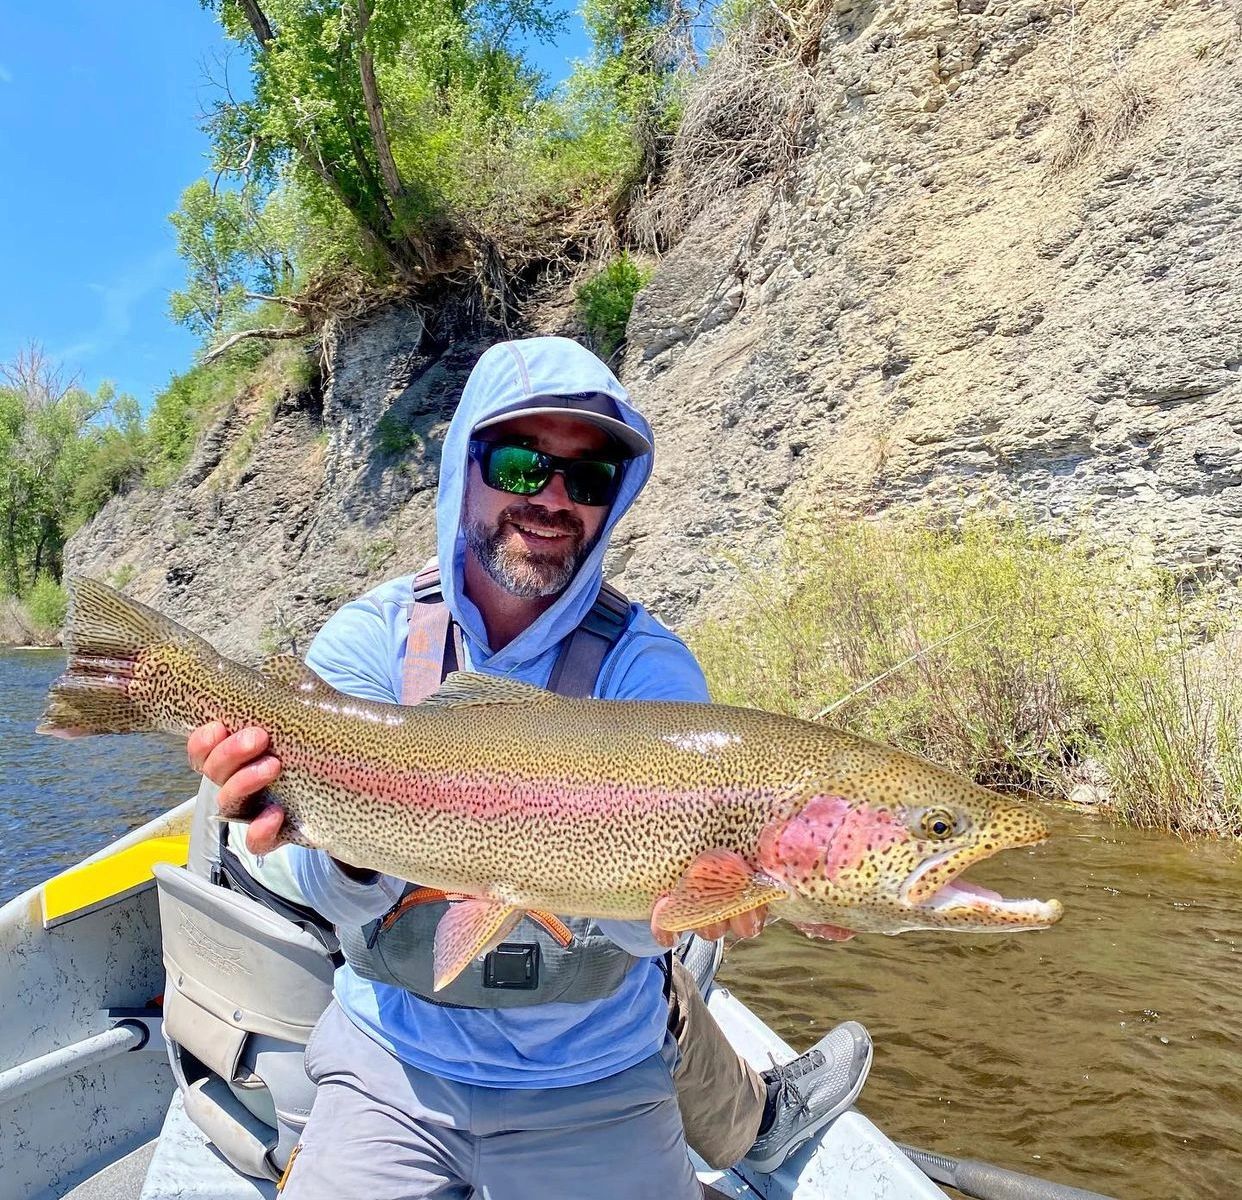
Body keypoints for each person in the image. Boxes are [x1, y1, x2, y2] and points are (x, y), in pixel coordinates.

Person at [189, 336, 871, 1198]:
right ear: (463, 467)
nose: (553, 498)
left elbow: (637, 935)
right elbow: (322, 894)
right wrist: (333, 844)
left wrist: (706, 901)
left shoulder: (648, 671)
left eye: (587, 479)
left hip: (594, 1074)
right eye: (520, 464)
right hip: (391, 1059)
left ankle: (740, 1114)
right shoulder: (372, 641)